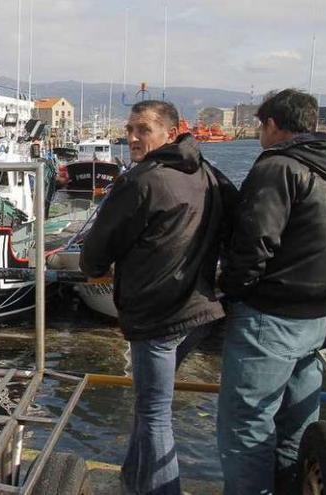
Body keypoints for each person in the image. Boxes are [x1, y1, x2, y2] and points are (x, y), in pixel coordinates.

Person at [81, 100, 234, 494]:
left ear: (170, 131)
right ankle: (134, 476)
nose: (132, 137)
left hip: (157, 313)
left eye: (142, 130)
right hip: (199, 310)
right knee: (149, 405)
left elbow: (96, 252)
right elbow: (237, 225)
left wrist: (98, 268)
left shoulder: (141, 181)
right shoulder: (208, 173)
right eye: (130, 129)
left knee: (154, 413)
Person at [217, 89, 326, 494]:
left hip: (270, 314)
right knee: (297, 423)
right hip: (317, 316)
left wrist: (233, 291)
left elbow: (255, 243)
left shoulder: (278, 167)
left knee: (247, 424)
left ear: (272, 124)